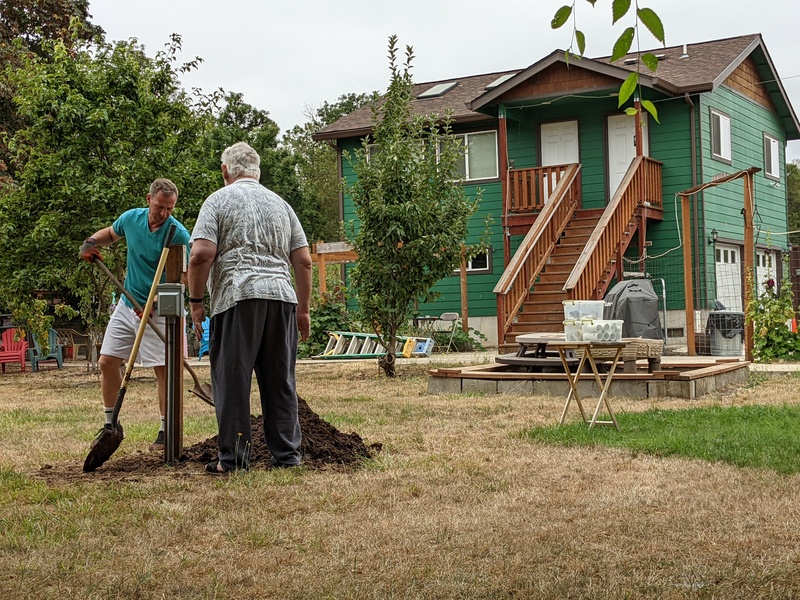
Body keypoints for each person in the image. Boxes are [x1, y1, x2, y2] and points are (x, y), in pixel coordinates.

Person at [188, 142, 312, 474]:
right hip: (282, 299)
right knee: (280, 382)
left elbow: (200, 254)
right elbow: (303, 261)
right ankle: (287, 456)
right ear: (258, 172)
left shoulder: (217, 200)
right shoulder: (282, 205)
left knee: (232, 382)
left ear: (225, 171)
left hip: (237, 297)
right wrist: (303, 310)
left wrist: (196, 303)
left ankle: (234, 461)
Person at [80, 178, 191, 451]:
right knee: (107, 361)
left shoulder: (177, 234)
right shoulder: (132, 219)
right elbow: (110, 233)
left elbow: (184, 277)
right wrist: (91, 242)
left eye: (170, 208)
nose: (164, 214)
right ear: (148, 199)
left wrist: (153, 302)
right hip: (127, 304)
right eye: (160, 207)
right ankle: (111, 424)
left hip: (162, 308)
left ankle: (166, 430)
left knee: (163, 369)